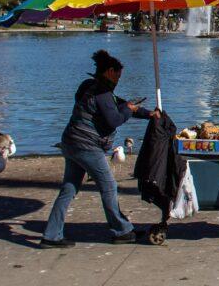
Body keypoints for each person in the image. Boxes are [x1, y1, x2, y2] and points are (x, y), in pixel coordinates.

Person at [40, 49, 158, 247]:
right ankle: (121, 230)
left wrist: (146, 113)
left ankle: (51, 235)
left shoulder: (89, 86)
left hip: (70, 142)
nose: (119, 80)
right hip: (86, 146)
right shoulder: (103, 93)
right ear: (110, 71)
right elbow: (114, 119)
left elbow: (118, 105)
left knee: (69, 188)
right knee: (109, 186)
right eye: (118, 75)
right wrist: (128, 110)